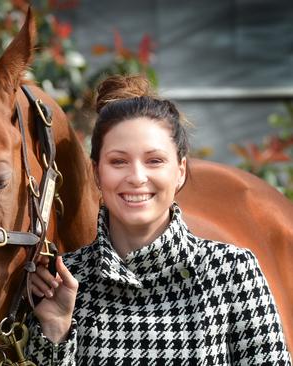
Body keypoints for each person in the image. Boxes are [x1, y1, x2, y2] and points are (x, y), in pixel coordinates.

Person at [26, 75, 292, 364]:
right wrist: (55, 328)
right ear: (96, 172)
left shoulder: (231, 272)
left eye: (154, 161)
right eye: (118, 161)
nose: (137, 177)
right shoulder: (63, 283)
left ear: (179, 171)